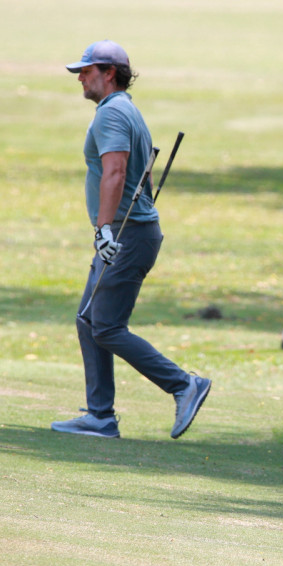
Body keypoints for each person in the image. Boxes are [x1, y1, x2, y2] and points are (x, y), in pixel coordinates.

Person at [51, 40, 210, 440]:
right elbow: (145, 174)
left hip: (124, 234)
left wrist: (104, 228)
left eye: (87, 71)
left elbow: (117, 173)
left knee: (105, 326)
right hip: (128, 232)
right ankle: (100, 415)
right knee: (88, 319)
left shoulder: (112, 114)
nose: (81, 78)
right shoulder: (126, 110)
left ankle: (183, 384)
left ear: (109, 73)